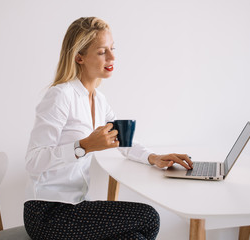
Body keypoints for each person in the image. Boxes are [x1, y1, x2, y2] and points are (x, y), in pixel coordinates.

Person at [24, 17, 193, 240]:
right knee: (148, 218)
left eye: (112, 49)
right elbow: (33, 161)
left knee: (133, 237)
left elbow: (124, 141)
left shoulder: (98, 100)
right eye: (102, 51)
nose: (112, 57)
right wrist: (83, 146)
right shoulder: (60, 96)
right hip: (48, 214)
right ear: (79, 57)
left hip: (76, 205)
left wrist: (155, 157)